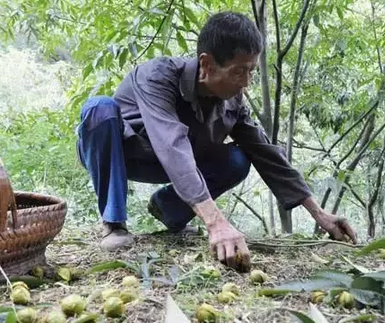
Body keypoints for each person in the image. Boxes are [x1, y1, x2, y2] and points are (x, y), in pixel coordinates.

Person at [76, 11, 357, 271]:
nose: (246, 82)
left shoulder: (232, 100)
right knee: (99, 108)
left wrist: (318, 213)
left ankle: (169, 209)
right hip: (122, 154)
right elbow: (171, 145)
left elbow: (265, 151)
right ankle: (113, 223)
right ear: (207, 64)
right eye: (238, 71)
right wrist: (216, 222)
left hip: (173, 164)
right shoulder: (156, 77)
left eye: (251, 71)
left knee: (238, 158)